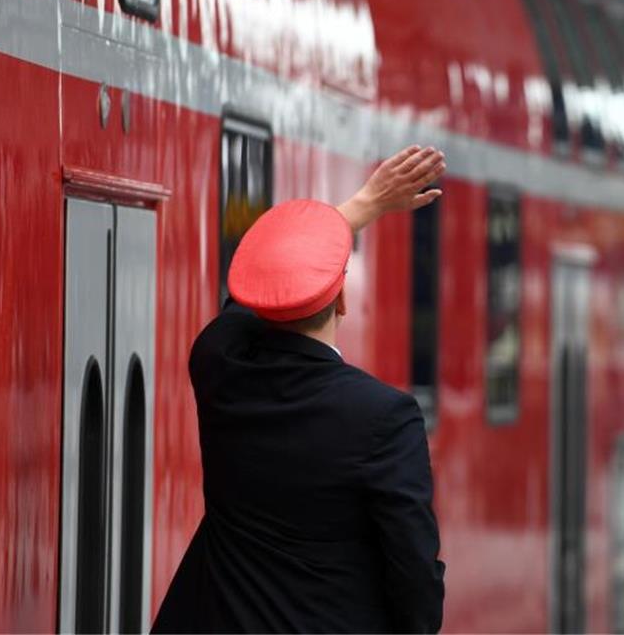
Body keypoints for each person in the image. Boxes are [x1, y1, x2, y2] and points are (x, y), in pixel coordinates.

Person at [152, 146, 448, 634]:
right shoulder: (384, 417)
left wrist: (362, 206)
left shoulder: (219, 367)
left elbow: (248, 302)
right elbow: (415, 581)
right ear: (344, 299)